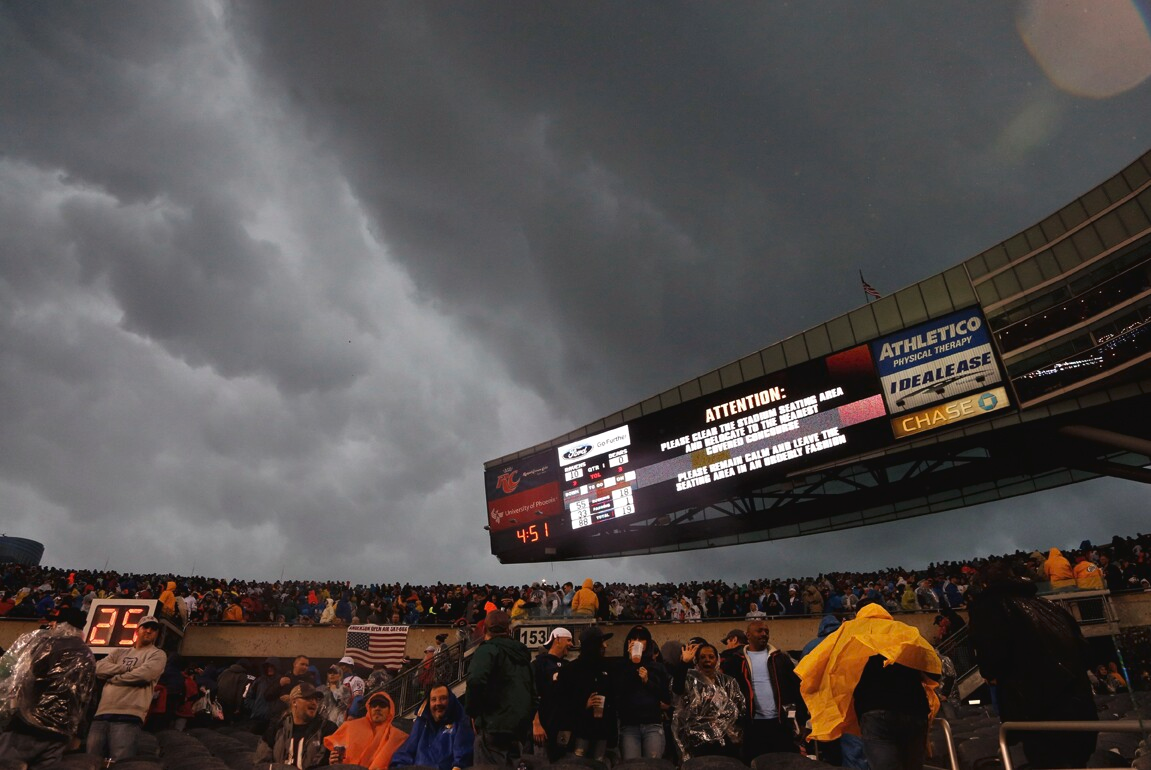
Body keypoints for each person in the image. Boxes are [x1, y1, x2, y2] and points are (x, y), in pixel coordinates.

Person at [968, 560, 1097, 769]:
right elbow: (1086, 653)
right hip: (1078, 709)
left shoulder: (990, 606)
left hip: (1037, 711)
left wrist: (990, 671)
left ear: (984, 584)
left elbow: (992, 653)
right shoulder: (1049, 606)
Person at [795, 602, 940, 770]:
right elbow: (933, 670)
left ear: (859, 613)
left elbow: (814, 667)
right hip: (915, 709)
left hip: (874, 710)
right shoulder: (904, 630)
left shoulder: (848, 629)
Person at [0, 608, 96, 767]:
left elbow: (20, 680)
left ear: (61, 624)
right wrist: (79, 733)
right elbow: (89, 698)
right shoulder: (88, 655)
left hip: (26, 727)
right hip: (60, 733)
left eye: (54, 621)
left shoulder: (46, 644)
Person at [720, 619, 805, 760]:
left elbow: (796, 690)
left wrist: (801, 720)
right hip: (752, 725)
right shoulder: (735, 662)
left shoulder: (781, 659)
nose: (764, 634)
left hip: (780, 723)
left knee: (784, 763)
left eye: (766, 631)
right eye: (759, 631)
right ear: (748, 635)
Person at [87, 614, 167, 762]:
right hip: (102, 714)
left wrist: (112, 677)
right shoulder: (119, 652)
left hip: (129, 715)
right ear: (138, 630)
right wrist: (126, 669)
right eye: (146, 627)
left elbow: (144, 675)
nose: (149, 631)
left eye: (153, 629)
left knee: (121, 763)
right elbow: (98, 668)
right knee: (91, 762)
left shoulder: (157, 654)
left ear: (157, 634)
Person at [465, 609, 536, 767]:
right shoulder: (524, 657)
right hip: (517, 731)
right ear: (508, 630)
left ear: (484, 629)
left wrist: (473, 714)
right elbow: (534, 695)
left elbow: (475, 680)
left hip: (492, 729)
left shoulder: (486, 650)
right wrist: (523, 721)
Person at [672, 642, 745, 761]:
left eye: (711, 657)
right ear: (697, 661)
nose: (707, 660)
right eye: (702, 657)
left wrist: (724, 722)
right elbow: (677, 689)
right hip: (697, 740)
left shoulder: (728, 682)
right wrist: (684, 663)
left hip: (725, 740)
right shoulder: (690, 680)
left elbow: (739, 707)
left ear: (717, 660)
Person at [557, 626, 616, 761]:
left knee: (599, 764)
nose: (605, 646)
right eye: (602, 642)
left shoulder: (607, 668)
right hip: (579, 731)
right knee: (577, 765)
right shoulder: (570, 670)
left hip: (601, 732)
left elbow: (613, 701)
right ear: (593, 645)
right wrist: (584, 704)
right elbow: (562, 702)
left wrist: (612, 734)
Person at [613, 624, 670, 760]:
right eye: (633, 638)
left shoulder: (657, 667)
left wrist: (647, 682)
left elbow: (665, 697)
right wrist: (632, 664)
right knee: (631, 765)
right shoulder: (621, 666)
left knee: (653, 765)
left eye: (641, 639)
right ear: (628, 642)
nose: (637, 642)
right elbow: (618, 692)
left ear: (648, 643)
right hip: (629, 725)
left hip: (652, 724)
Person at [390, 683, 474, 770]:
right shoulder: (422, 722)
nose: (438, 703)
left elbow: (462, 755)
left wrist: (458, 766)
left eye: (443, 698)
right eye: (434, 699)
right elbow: (407, 751)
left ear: (450, 700)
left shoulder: (460, 721)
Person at [257, 682, 338, 769]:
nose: (314, 702)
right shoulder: (276, 728)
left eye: (316, 699)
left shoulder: (328, 729)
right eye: (308, 698)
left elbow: (330, 764)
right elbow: (260, 764)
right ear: (294, 701)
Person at [322, 687, 406, 769]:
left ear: (390, 710)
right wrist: (335, 764)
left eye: (382, 705)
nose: (377, 708)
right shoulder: (350, 727)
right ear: (369, 709)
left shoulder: (398, 738)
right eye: (373, 705)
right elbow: (338, 758)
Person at [531, 626, 572, 761]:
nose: (571, 644)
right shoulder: (538, 664)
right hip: (544, 728)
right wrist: (536, 723)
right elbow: (532, 695)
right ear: (558, 639)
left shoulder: (568, 666)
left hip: (564, 729)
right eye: (569, 640)